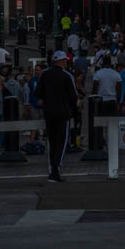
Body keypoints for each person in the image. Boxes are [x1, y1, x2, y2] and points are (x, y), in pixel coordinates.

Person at [35, 51, 78, 182]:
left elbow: (38, 93)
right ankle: (55, 171)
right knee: (61, 143)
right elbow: (74, 96)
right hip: (63, 114)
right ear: (63, 61)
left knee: (52, 142)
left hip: (49, 113)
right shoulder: (67, 76)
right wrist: (73, 110)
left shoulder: (44, 74)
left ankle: (52, 170)